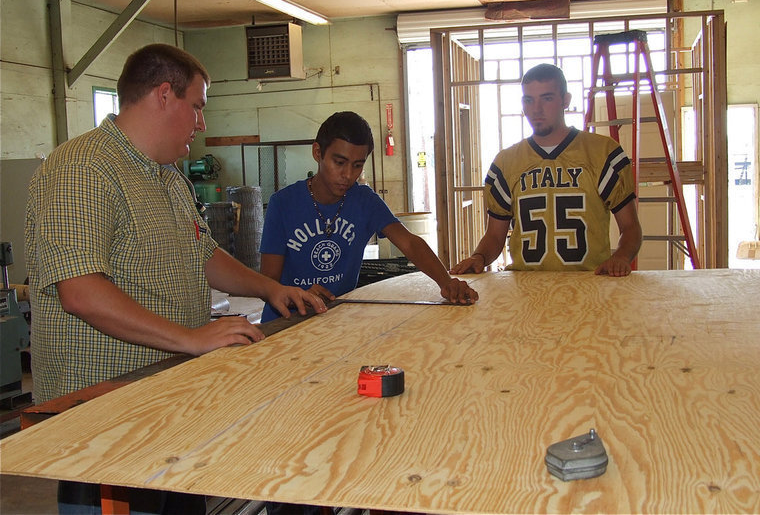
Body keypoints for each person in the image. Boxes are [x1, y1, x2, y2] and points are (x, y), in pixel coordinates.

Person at [25, 43, 326, 514]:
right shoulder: (83, 170)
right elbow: (80, 291)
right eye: (198, 106)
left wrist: (271, 287)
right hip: (105, 415)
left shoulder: (167, 176)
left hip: (169, 399)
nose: (202, 123)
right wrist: (190, 338)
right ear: (164, 94)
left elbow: (202, 253)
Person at [259, 111, 478, 323]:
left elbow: (410, 243)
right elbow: (267, 283)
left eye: (357, 165)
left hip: (335, 318)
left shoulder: (364, 201)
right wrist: (299, 295)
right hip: (283, 323)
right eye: (339, 162)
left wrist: (446, 282)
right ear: (318, 153)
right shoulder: (283, 204)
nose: (347, 175)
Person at [451, 63, 642, 277]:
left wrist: (621, 257)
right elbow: (495, 235)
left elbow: (631, 227)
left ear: (565, 100)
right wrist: (479, 257)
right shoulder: (506, 163)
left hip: (589, 284)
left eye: (547, 98)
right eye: (528, 100)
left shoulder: (602, 153)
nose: (536, 109)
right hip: (526, 288)